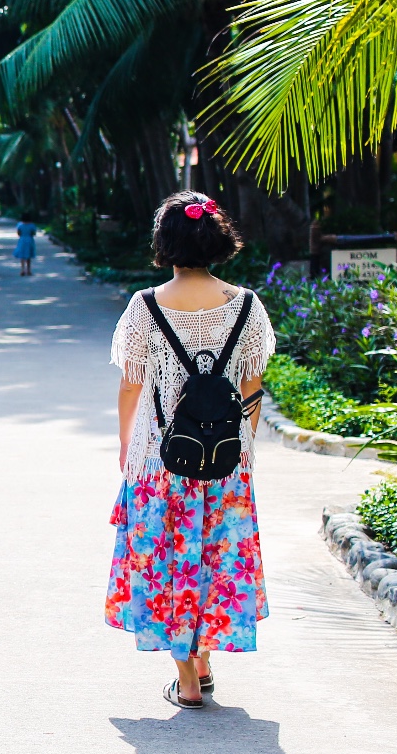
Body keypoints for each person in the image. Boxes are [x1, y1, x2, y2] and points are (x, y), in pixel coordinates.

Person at [105, 191, 276, 709]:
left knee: (169, 562)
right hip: (224, 460)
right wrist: (242, 447)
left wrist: (125, 443)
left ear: (165, 243)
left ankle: (187, 679)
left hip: (162, 459)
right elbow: (253, 387)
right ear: (216, 239)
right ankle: (205, 660)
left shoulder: (146, 307)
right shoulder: (246, 306)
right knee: (214, 558)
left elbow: (132, 385)